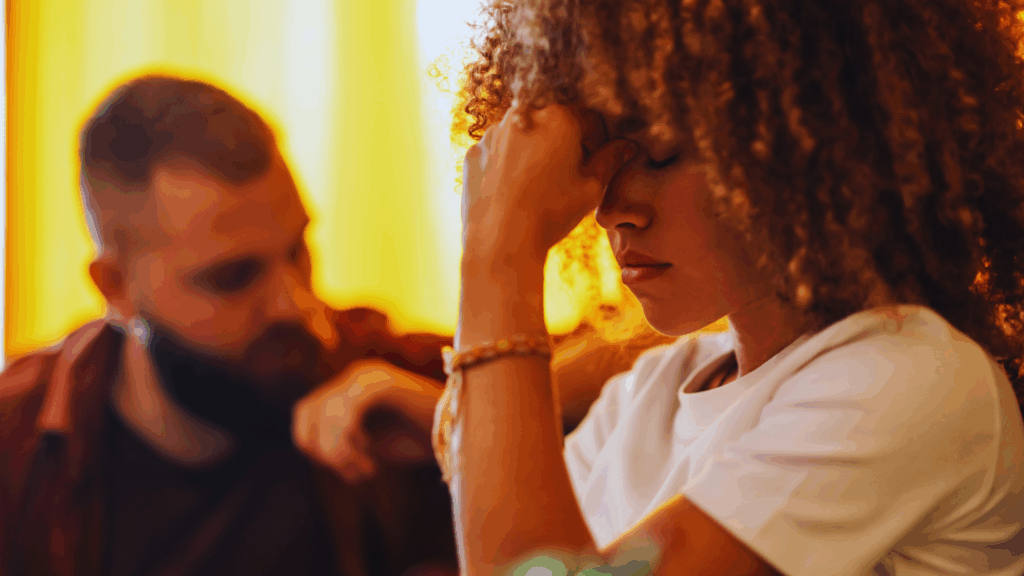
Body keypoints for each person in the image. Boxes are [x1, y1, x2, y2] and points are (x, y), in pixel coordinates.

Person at [418, 0, 1024, 574]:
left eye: (657, 152)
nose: (610, 210)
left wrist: (499, 251)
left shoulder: (911, 377)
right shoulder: (645, 397)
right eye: (593, 155)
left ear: (807, 139)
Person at [0, 76, 651, 576]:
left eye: (298, 252)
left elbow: (666, 350)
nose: (293, 304)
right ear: (116, 289)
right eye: (233, 277)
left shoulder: (359, 366)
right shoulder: (16, 446)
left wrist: (458, 413)